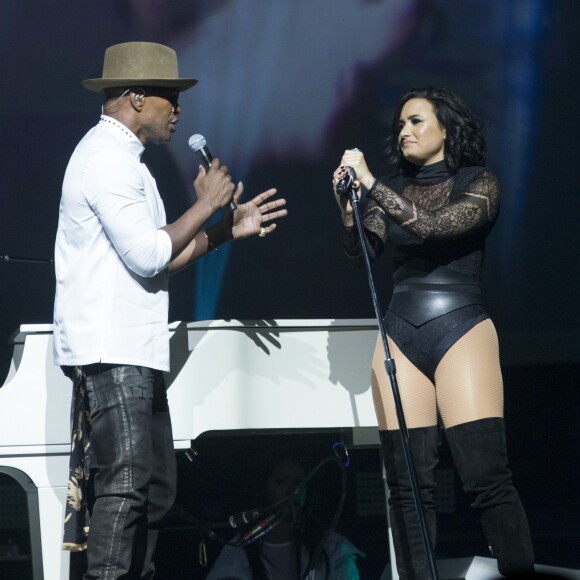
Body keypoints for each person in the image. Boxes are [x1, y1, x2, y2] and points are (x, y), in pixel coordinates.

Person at [53, 41, 287, 579]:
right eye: (169, 97)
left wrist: (227, 228)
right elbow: (150, 252)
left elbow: (165, 257)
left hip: (135, 346)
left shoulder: (130, 164)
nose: (178, 110)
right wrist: (206, 204)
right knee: (127, 483)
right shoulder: (105, 160)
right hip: (111, 348)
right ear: (136, 98)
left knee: (156, 489)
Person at [332, 87, 534, 579]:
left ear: (446, 128)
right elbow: (364, 250)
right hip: (400, 331)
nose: (405, 131)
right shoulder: (394, 189)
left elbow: (436, 226)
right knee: (405, 488)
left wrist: (373, 184)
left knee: (486, 477)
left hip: (459, 325)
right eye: (400, 124)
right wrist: (346, 203)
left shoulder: (480, 182)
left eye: (417, 121)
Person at [205, 451, 363, 580]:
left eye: (299, 482)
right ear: (263, 488)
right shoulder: (238, 551)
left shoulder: (332, 547)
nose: (292, 492)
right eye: (280, 482)